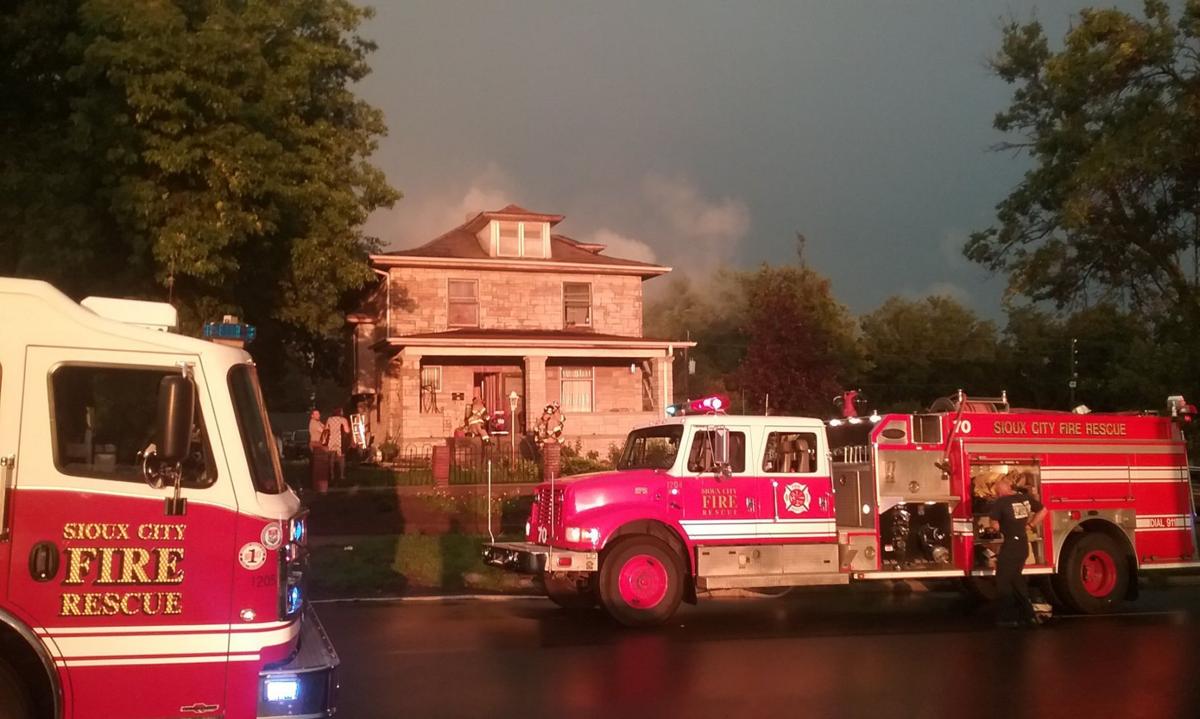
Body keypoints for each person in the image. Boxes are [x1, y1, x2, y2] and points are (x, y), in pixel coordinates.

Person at [989, 477, 1046, 627]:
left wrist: (1001, 528)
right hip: (1022, 544)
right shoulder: (1024, 499)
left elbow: (994, 525)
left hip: (1011, 546)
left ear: (999, 492)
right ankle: (1029, 616)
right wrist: (1031, 524)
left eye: (996, 492)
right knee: (1016, 580)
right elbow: (1044, 510)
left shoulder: (1001, 503)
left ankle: (1008, 618)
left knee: (1003, 581)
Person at [324, 407, 351, 484]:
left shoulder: (329, 419)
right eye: (342, 411)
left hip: (331, 440)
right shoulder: (343, 420)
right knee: (341, 458)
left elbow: (326, 429)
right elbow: (347, 430)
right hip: (340, 441)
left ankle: (332, 474)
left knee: (331, 457)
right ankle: (341, 475)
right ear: (340, 412)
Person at [308, 409, 329, 493]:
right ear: (312, 415)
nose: (318, 415)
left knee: (319, 466)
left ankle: (320, 486)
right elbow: (324, 430)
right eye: (316, 414)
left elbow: (326, 428)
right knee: (319, 466)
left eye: (319, 414)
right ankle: (318, 487)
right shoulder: (314, 423)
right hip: (316, 444)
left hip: (319, 444)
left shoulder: (318, 422)